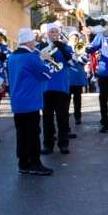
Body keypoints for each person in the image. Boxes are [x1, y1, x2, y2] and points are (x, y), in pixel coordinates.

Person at [8, 28, 55, 175]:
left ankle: (23, 163)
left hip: (17, 101)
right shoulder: (30, 57)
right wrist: (46, 59)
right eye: (33, 40)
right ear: (28, 41)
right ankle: (35, 163)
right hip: (30, 101)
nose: (35, 42)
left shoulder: (12, 57)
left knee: (21, 134)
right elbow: (47, 74)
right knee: (33, 133)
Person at [40, 22, 74, 155]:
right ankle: (48, 145)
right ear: (47, 34)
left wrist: (62, 48)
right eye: (51, 32)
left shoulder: (65, 47)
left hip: (61, 87)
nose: (54, 34)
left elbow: (71, 63)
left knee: (62, 118)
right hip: (46, 87)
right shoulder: (41, 47)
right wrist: (43, 57)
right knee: (47, 118)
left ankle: (63, 144)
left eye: (55, 32)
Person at [67, 31, 88, 126]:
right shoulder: (66, 47)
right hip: (67, 77)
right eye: (72, 37)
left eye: (76, 38)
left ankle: (78, 117)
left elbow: (85, 60)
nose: (74, 39)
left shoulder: (80, 46)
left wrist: (78, 57)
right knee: (66, 99)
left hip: (78, 77)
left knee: (77, 99)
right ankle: (65, 115)